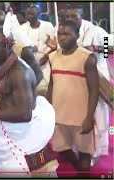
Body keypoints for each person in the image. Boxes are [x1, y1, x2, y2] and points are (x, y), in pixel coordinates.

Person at [0, 25, 58, 177]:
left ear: (8, 45)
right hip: (6, 135)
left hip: (20, 138)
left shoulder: (19, 73)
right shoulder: (2, 66)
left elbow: (25, 114)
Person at [47, 20, 99, 175]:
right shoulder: (53, 57)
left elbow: (94, 90)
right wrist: (48, 111)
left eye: (66, 34)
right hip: (59, 116)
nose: (62, 38)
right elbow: (52, 84)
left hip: (80, 117)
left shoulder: (87, 57)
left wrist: (89, 117)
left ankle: (84, 171)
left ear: (77, 35)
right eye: (59, 34)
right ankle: (79, 169)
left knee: (84, 154)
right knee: (62, 149)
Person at [66, 7, 112, 166]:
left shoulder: (96, 31)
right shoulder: (66, 30)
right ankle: (80, 147)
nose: (70, 18)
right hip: (76, 77)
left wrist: (98, 49)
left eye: (74, 15)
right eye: (68, 15)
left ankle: (99, 149)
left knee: (98, 114)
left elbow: (109, 48)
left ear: (82, 16)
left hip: (98, 75)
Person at [19, 5, 56, 95]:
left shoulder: (48, 26)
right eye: (28, 14)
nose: (29, 16)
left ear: (38, 14)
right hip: (28, 63)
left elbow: (55, 46)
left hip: (45, 62)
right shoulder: (22, 28)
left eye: (32, 14)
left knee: (45, 89)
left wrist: (46, 57)